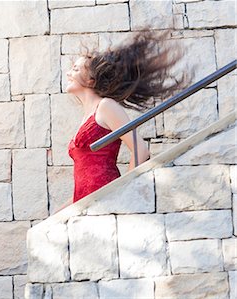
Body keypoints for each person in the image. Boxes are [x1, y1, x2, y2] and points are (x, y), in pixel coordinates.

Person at [56, 30, 187, 212]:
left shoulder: (106, 106)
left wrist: (122, 191)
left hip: (106, 202)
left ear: (92, 80)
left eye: (76, 69)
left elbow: (140, 151)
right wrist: (61, 210)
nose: (69, 73)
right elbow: (85, 178)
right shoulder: (86, 115)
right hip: (86, 204)